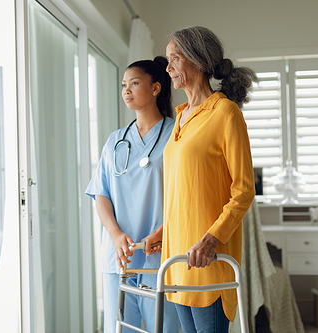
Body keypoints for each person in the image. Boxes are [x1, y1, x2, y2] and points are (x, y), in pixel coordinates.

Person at [161, 26, 257, 333]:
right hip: (177, 258)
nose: (168, 67)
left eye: (175, 58)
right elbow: (184, 192)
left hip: (207, 259)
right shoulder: (180, 116)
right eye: (168, 59)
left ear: (199, 60)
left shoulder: (225, 113)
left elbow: (243, 190)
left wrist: (212, 238)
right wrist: (162, 232)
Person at [86, 56, 181, 333]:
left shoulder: (176, 134)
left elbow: (185, 195)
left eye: (135, 83)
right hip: (120, 256)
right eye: (124, 84)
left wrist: (163, 231)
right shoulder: (115, 141)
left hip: (160, 253)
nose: (126, 90)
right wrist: (115, 234)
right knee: (120, 329)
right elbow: (100, 193)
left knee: (163, 328)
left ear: (155, 88)